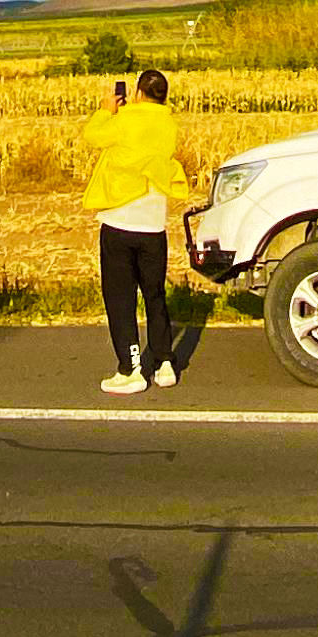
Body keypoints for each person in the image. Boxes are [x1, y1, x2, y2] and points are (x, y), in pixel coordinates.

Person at [77, 65, 192, 394]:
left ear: (138, 93)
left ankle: (130, 369)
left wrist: (105, 111)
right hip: (154, 225)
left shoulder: (124, 119)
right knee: (154, 294)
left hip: (120, 221)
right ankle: (165, 362)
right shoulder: (168, 124)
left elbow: (92, 136)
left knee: (121, 299)